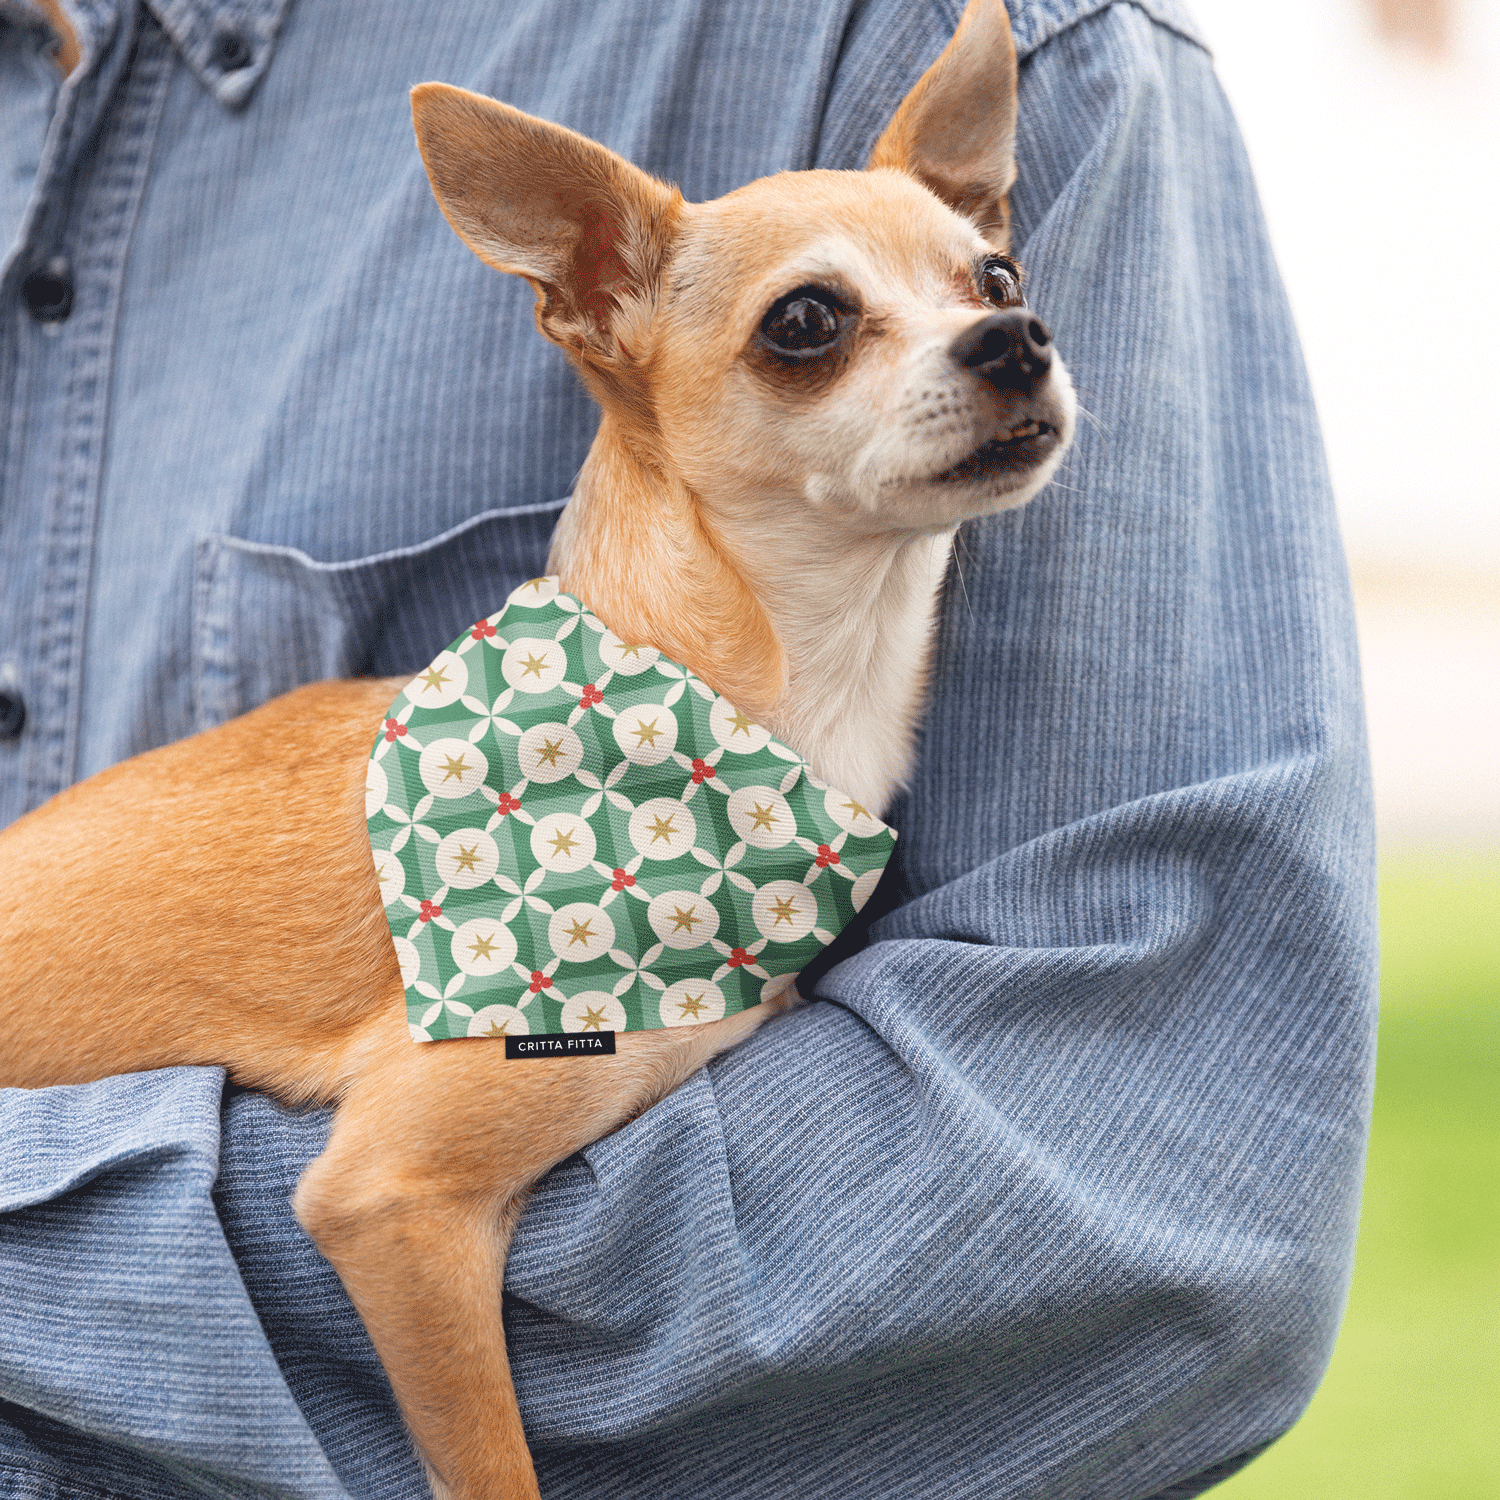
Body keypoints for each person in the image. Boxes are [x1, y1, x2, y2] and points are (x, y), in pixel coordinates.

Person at [0, 0, 1377, 1495]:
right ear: (601, 299)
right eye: (812, 329)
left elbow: (1154, 1232)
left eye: (987, 279)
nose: (993, 336)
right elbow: (393, 1202)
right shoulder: (596, 891)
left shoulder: (667, 826)